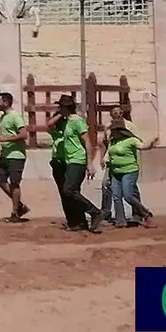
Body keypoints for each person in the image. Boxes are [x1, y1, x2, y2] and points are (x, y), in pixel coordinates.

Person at [57, 95, 102, 233]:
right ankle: (80, 222)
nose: (59, 109)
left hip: (78, 160)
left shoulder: (77, 121)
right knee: (72, 192)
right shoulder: (66, 121)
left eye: (61, 107)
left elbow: (87, 142)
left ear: (66, 108)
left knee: (69, 190)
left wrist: (89, 163)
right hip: (70, 160)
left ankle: (94, 211)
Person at [102, 125, 156, 227]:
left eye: (112, 131)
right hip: (115, 171)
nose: (111, 134)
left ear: (120, 131)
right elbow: (108, 153)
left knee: (128, 195)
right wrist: (104, 160)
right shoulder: (112, 142)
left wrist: (151, 144)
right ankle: (120, 221)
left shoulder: (131, 140)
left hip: (129, 171)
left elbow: (142, 146)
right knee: (116, 196)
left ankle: (145, 214)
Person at [0, 91, 30, 222]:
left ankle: (15, 214)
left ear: (6, 102)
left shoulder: (15, 116)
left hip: (16, 156)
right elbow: (2, 136)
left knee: (14, 183)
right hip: (5, 155)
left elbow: (24, 135)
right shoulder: (3, 117)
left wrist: (5, 138)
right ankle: (19, 205)